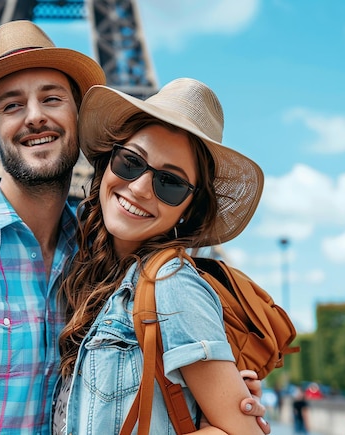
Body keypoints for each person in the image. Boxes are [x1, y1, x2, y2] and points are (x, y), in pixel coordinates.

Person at [0, 21, 268, 434]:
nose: (35, 116)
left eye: (52, 98)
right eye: (12, 105)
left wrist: (215, 394)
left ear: (77, 118)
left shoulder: (100, 266)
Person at [54, 78, 266, 434]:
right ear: (108, 161)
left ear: (189, 207)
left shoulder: (172, 283)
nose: (139, 188)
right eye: (130, 162)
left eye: (169, 182)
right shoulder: (90, 274)